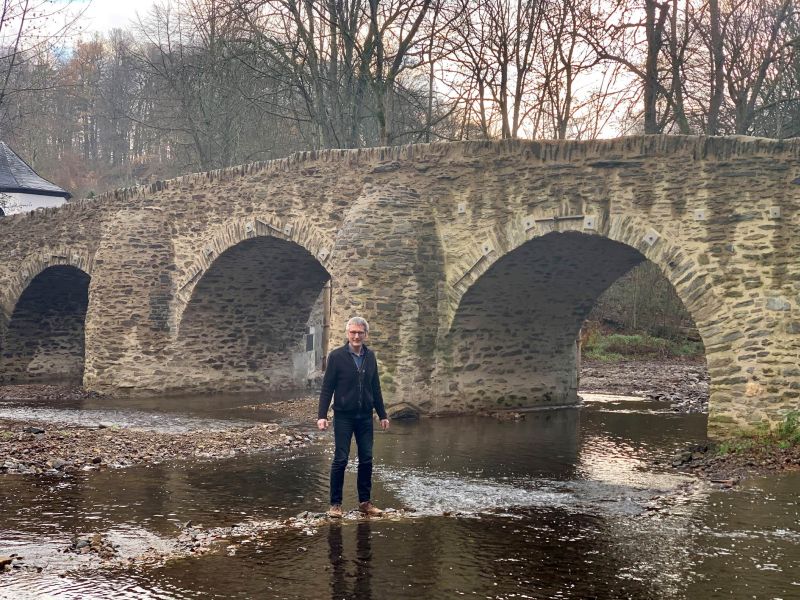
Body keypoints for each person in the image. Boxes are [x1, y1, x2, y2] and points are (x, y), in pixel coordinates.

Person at [317, 316, 389, 518]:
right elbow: (327, 388)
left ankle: (365, 502)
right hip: (343, 416)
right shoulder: (337, 356)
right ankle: (335, 505)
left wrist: (382, 414)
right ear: (347, 334)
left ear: (366, 335)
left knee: (366, 459)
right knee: (341, 459)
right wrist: (322, 415)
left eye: (360, 333)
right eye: (353, 332)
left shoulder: (370, 356)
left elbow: (375, 387)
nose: (356, 336)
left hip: (365, 416)